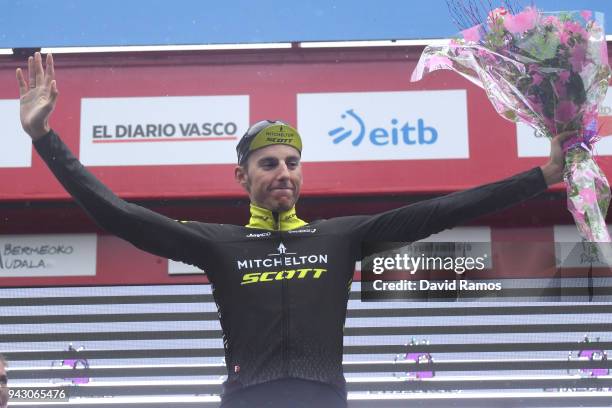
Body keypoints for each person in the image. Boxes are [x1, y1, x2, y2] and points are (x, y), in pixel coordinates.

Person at [16, 52, 572, 408]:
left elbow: (442, 210)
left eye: (291, 162)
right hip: (245, 398)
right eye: (268, 163)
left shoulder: (340, 236)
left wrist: (542, 176)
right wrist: (45, 140)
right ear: (242, 176)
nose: (283, 172)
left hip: (324, 398)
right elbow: (119, 214)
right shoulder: (218, 244)